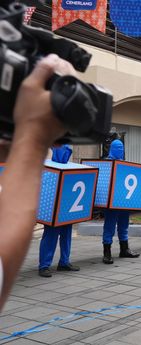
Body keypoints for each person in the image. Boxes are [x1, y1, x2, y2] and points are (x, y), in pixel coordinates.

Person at [0, 54, 73, 311]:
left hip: (65, 195)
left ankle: (64, 260)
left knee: (64, 232)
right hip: (49, 191)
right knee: (51, 233)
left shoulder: (64, 149)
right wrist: (33, 137)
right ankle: (44, 264)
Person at [38, 144, 80, 277]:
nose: (66, 155)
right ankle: (44, 265)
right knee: (50, 237)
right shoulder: (47, 166)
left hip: (67, 208)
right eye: (64, 152)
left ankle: (64, 262)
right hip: (52, 209)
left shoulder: (69, 167)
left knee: (66, 236)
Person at [102, 135, 140, 264]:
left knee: (124, 226)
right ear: (112, 148)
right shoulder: (105, 163)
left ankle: (124, 249)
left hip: (124, 201)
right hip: (111, 203)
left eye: (122, 148)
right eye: (117, 148)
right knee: (109, 226)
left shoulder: (124, 164)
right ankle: (107, 252)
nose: (120, 150)